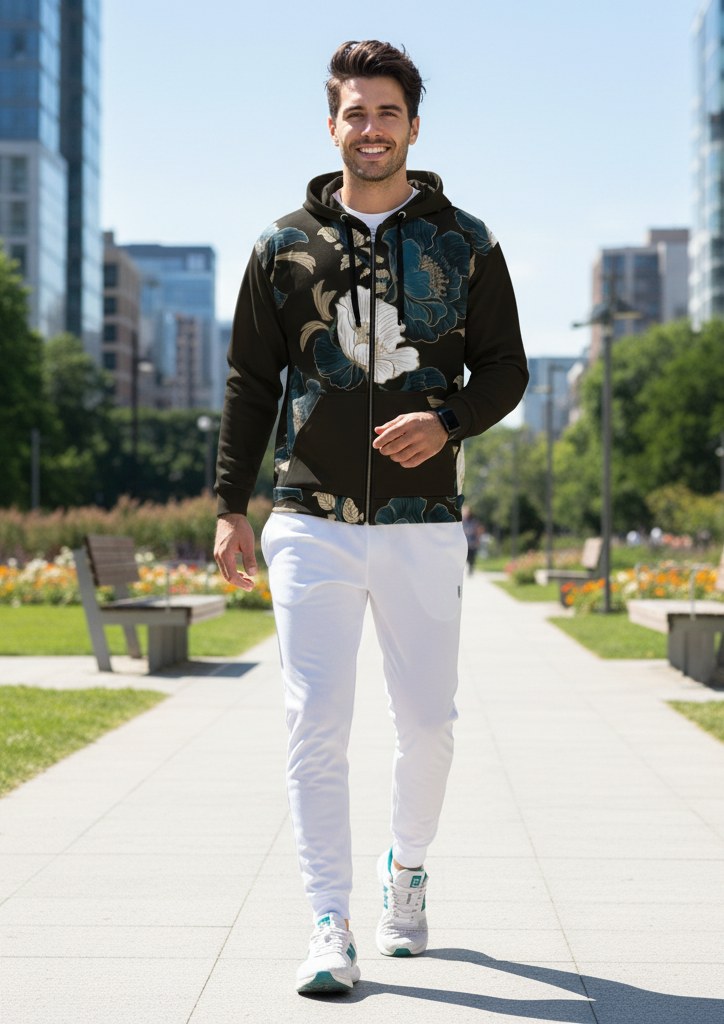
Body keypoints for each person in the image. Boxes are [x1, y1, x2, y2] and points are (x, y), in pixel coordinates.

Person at [213, 39, 528, 995]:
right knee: (316, 721)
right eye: (356, 112)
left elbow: (507, 369)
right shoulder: (281, 247)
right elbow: (247, 382)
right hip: (307, 516)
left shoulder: (465, 242)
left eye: (388, 112)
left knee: (428, 725)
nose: (372, 128)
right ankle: (327, 923)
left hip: (424, 522)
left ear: (414, 126)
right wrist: (231, 504)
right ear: (333, 125)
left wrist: (449, 420)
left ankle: (408, 868)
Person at [461, 505, 484, 574]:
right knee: (465, 557)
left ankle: (470, 569)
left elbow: (478, 531)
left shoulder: (474, 521)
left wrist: (477, 540)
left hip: (472, 543)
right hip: (464, 542)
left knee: (472, 558)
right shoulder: (462, 521)